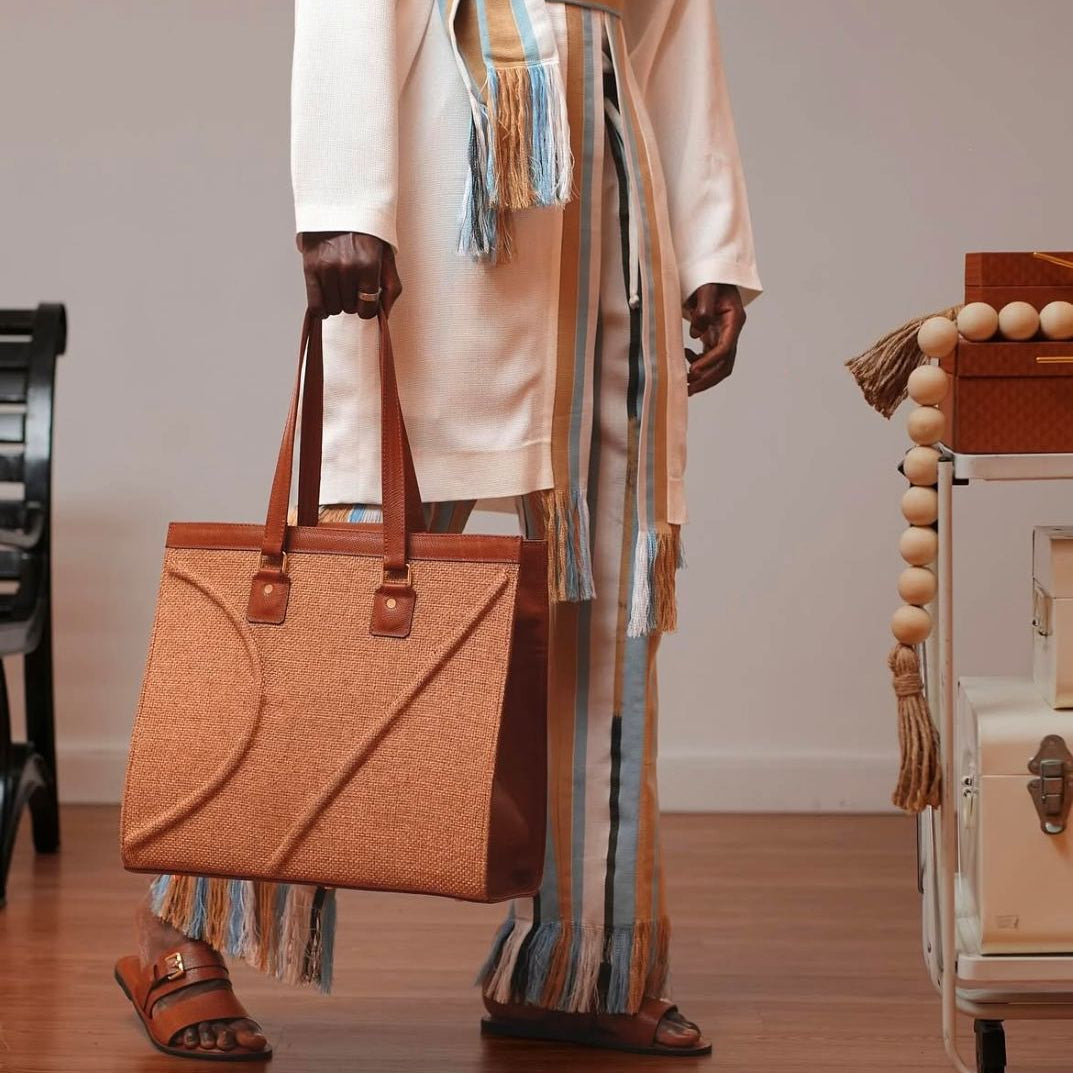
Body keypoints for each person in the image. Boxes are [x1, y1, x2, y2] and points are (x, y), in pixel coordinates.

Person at [115, 0, 761, 1059]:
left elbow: (675, 22)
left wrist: (709, 238)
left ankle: (575, 966)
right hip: (449, 180)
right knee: (343, 602)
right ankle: (177, 931)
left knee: (606, 601)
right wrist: (342, 198)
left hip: (611, 203)